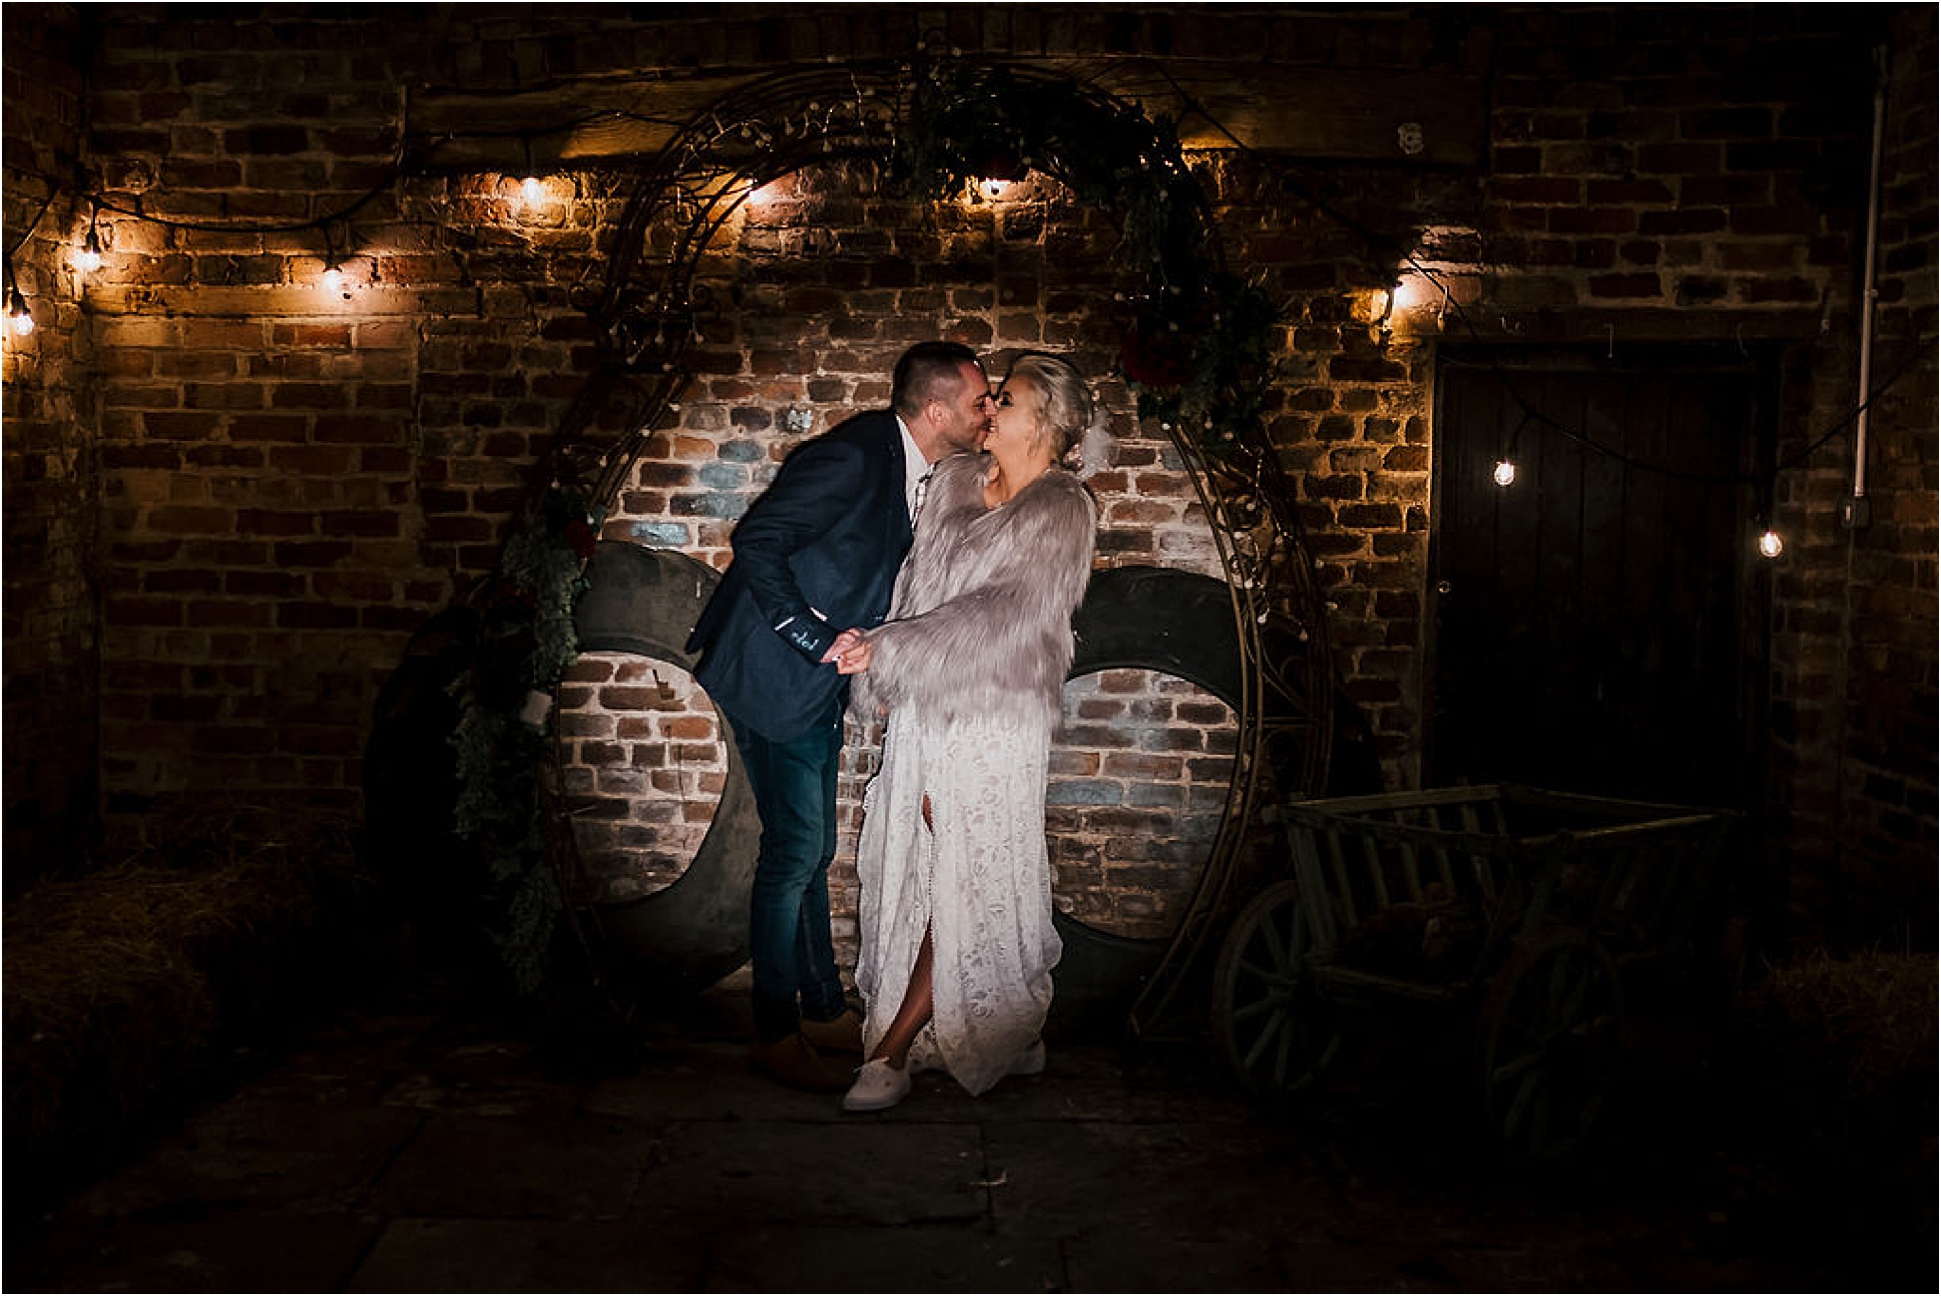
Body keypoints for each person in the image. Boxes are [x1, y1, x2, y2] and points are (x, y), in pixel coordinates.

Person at [685, 341, 993, 1091]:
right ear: (936, 409)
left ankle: (822, 1008)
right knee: (794, 852)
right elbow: (758, 540)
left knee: (812, 850)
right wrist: (814, 640)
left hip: (813, 681)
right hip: (769, 668)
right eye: (982, 400)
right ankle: (772, 1028)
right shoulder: (858, 456)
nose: (990, 412)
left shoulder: (921, 469)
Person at [825, 352, 1099, 1112]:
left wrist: (896, 649)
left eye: (1003, 400)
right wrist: (883, 672)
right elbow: (914, 589)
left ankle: (892, 1050)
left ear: (1042, 421)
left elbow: (1007, 617)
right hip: (924, 710)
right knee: (919, 859)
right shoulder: (949, 482)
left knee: (967, 863)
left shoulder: (1061, 507)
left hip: (995, 716)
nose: (988, 410)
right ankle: (1006, 1017)